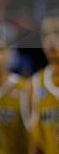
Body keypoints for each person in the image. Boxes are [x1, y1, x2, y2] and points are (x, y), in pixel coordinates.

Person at [29, 12, 59, 154]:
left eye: (57, 33)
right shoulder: (35, 83)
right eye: (45, 35)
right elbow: (36, 143)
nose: (51, 40)